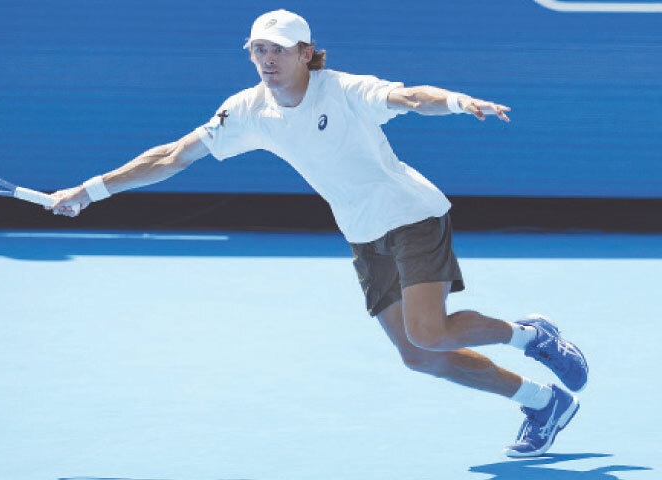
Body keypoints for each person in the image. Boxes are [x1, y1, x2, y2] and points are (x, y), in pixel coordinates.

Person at [50, 9, 588, 457]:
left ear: (307, 53)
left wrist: (455, 101)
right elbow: (172, 156)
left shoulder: (345, 90)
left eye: (279, 50)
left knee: (429, 331)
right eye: (259, 49)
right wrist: (90, 190)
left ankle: (530, 336)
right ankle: (544, 403)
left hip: (412, 214)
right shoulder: (245, 110)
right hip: (362, 231)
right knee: (418, 356)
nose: (267, 60)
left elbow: (409, 96)